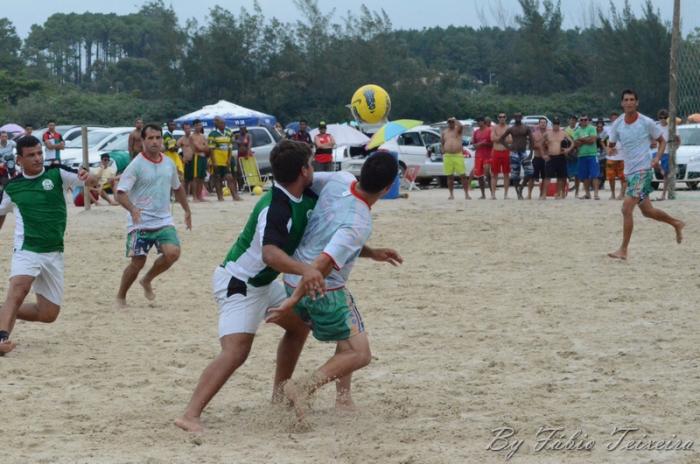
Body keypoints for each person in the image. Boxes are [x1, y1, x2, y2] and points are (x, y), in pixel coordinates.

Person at [175, 140, 328, 433]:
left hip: (264, 283)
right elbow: (271, 254)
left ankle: (278, 397)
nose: (314, 169)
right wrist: (306, 270)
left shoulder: (304, 195)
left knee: (298, 327)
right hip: (238, 283)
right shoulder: (276, 208)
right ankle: (190, 415)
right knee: (236, 352)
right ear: (303, 171)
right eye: (310, 164)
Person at [266, 152, 402, 423]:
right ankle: (302, 387)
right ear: (387, 189)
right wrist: (294, 300)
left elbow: (307, 184)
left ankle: (343, 399)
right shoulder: (359, 222)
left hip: (292, 276)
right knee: (360, 353)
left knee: (348, 331)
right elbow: (323, 263)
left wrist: (371, 252)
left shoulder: (340, 179)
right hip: (319, 289)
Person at [0, 136, 95, 355]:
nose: (37, 158)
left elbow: (90, 181)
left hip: (54, 252)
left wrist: (90, 176)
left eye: (39, 153)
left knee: (48, 314)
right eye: (31, 155)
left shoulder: (57, 173)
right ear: (20, 160)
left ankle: (4, 311)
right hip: (27, 249)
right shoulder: (13, 188)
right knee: (19, 289)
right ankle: (2, 338)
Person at [115, 124, 192, 307]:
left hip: (163, 221)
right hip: (140, 223)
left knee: (173, 253)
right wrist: (133, 209)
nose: (155, 141)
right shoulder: (136, 165)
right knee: (137, 263)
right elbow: (120, 193)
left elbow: (178, 188)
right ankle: (121, 295)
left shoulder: (169, 163)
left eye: (158, 137)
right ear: (142, 141)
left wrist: (187, 210)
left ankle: (147, 280)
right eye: (150, 138)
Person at [606, 89, 685, 260]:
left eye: (632, 99)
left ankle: (623, 250)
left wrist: (657, 157)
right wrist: (610, 149)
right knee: (647, 211)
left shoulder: (646, 122)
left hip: (643, 171)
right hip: (630, 173)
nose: (629, 103)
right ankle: (676, 223)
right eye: (626, 100)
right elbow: (610, 144)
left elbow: (662, 141)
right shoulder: (618, 124)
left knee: (626, 208)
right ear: (622, 103)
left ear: (637, 102)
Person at [498, 112, 534, 200]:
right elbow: (501, 139)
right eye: (516, 116)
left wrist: (531, 153)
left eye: (519, 116)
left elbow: (532, 140)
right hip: (514, 153)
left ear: (521, 117)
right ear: (514, 118)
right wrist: (508, 147)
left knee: (530, 172)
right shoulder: (511, 129)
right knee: (515, 175)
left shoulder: (526, 128)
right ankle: (518, 193)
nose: (518, 118)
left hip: (523, 152)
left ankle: (521, 187)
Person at [208, 116, 241, 201]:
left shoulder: (228, 132)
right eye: (221, 123)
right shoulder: (212, 134)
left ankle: (235, 196)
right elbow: (211, 149)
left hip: (226, 160)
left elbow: (230, 147)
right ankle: (220, 197)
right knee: (218, 178)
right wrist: (213, 162)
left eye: (224, 123)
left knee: (229, 177)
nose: (223, 124)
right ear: (217, 124)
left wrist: (229, 159)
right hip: (217, 160)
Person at [543, 118, 574, 199]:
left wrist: (568, 149)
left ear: (559, 125)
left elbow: (572, 142)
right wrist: (544, 154)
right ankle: (543, 195)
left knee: (560, 177)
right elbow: (541, 144)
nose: (556, 126)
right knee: (547, 177)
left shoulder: (563, 133)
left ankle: (558, 193)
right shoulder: (547, 134)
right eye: (554, 124)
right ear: (552, 125)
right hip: (551, 157)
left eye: (557, 124)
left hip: (561, 156)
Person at [653, 109, 679, 201]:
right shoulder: (656, 126)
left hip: (667, 151)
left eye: (664, 117)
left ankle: (663, 194)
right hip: (657, 150)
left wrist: (675, 148)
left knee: (666, 175)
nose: (662, 119)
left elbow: (678, 139)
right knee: (653, 163)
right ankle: (661, 169)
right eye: (660, 118)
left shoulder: (671, 127)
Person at [441, 117, 469, 200]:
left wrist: (455, 119)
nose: (451, 123)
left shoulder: (457, 130)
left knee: (463, 175)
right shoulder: (444, 132)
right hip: (448, 156)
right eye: (449, 122)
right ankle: (451, 194)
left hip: (457, 155)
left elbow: (461, 126)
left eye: (452, 122)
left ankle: (466, 194)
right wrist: (443, 150)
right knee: (449, 176)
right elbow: (442, 142)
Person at [573, 114, 600, 200]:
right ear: (579, 121)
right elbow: (576, 143)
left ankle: (596, 194)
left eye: (585, 120)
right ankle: (587, 194)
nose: (584, 121)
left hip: (592, 154)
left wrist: (581, 139)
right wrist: (587, 139)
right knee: (584, 176)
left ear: (588, 120)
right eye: (582, 120)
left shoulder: (592, 128)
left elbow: (593, 140)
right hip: (581, 155)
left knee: (594, 175)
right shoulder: (577, 131)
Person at [603, 112, 626, 200]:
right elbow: (601, 139)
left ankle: (622, 194)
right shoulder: (608, 129)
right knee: (611, 177)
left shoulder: (624, 129)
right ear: (611, 119)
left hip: (622, 156)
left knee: (623, 177)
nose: (615, 120)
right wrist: (607, 148)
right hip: (611, 157)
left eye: (617, 118)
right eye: (613, 118)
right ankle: (612, 194)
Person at [471, 117, 493, 199]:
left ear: (484, 122)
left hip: (488, 155)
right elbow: (474, 144)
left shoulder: (489, 130)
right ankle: (483, 194)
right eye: (478, 122)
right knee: (479, 176)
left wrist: (484, 143)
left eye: (481, 121)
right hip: (478, 155)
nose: (479, 123)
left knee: (487, 173)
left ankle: (492, 193)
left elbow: (493, 143)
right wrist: (477, 145)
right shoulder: (476, 132)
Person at [490, 112, 511, 199]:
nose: (502, 118)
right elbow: (492, 139)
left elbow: (511, 140)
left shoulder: (508, 128)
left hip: (506, 152)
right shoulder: (494, 127)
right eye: (500, 117)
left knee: (506, 174)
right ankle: (493, 195)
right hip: (496, 152)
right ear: (498, 118)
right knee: (494, 174)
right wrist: (503, 138)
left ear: (506, 118)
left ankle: (506, 195)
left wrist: (499, 137)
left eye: (503, 117)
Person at [189, 119, 210, 201]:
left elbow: (207, 148)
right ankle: (194, 196)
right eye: (197, 125)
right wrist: (203, 147)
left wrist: (204, 147)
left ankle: (200, 195)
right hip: (197, 157)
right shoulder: (192, 136)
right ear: (194, 126)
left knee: (202, 177)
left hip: (203, 157)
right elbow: (198, 148)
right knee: (195, 177)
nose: (199, 127)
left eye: (200, 125)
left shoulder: (203, 136)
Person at [531, 117, 548, 200]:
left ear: (546, 124)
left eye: (544, 122)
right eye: (541, 122)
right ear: (539, 124)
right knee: (532, 177)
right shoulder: (534, 134)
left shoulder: (549, 133)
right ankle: (529, 194)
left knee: (545, 177)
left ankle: (543, 194)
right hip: (537, 157)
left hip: (546, 158)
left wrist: (543, 145)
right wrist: (540, 145)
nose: (543, 124)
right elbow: (532, 146)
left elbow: (551, 145)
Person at [178, 122, 196, 198]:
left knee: (195, 179)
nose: (188, 130)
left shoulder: (194, 138)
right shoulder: (181, 139)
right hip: (187, 161)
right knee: (186, 180)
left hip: (195, 160)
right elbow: (175, 150)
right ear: (183, 130)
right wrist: (181, 158)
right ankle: (185, 196)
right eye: (186, 129)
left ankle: (195, 196)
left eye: (189, 128)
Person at [564, 116, 580, 198]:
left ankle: (576, 192)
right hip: (568, 153)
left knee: (577, 174)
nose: (572, 121)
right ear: (568, 120)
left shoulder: (579, 129)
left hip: (577, 153)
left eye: (574, 120)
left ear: (576, 121)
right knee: (566, 174)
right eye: (571, 120)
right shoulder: (565, 130)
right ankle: (564, 191)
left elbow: (580, 141)